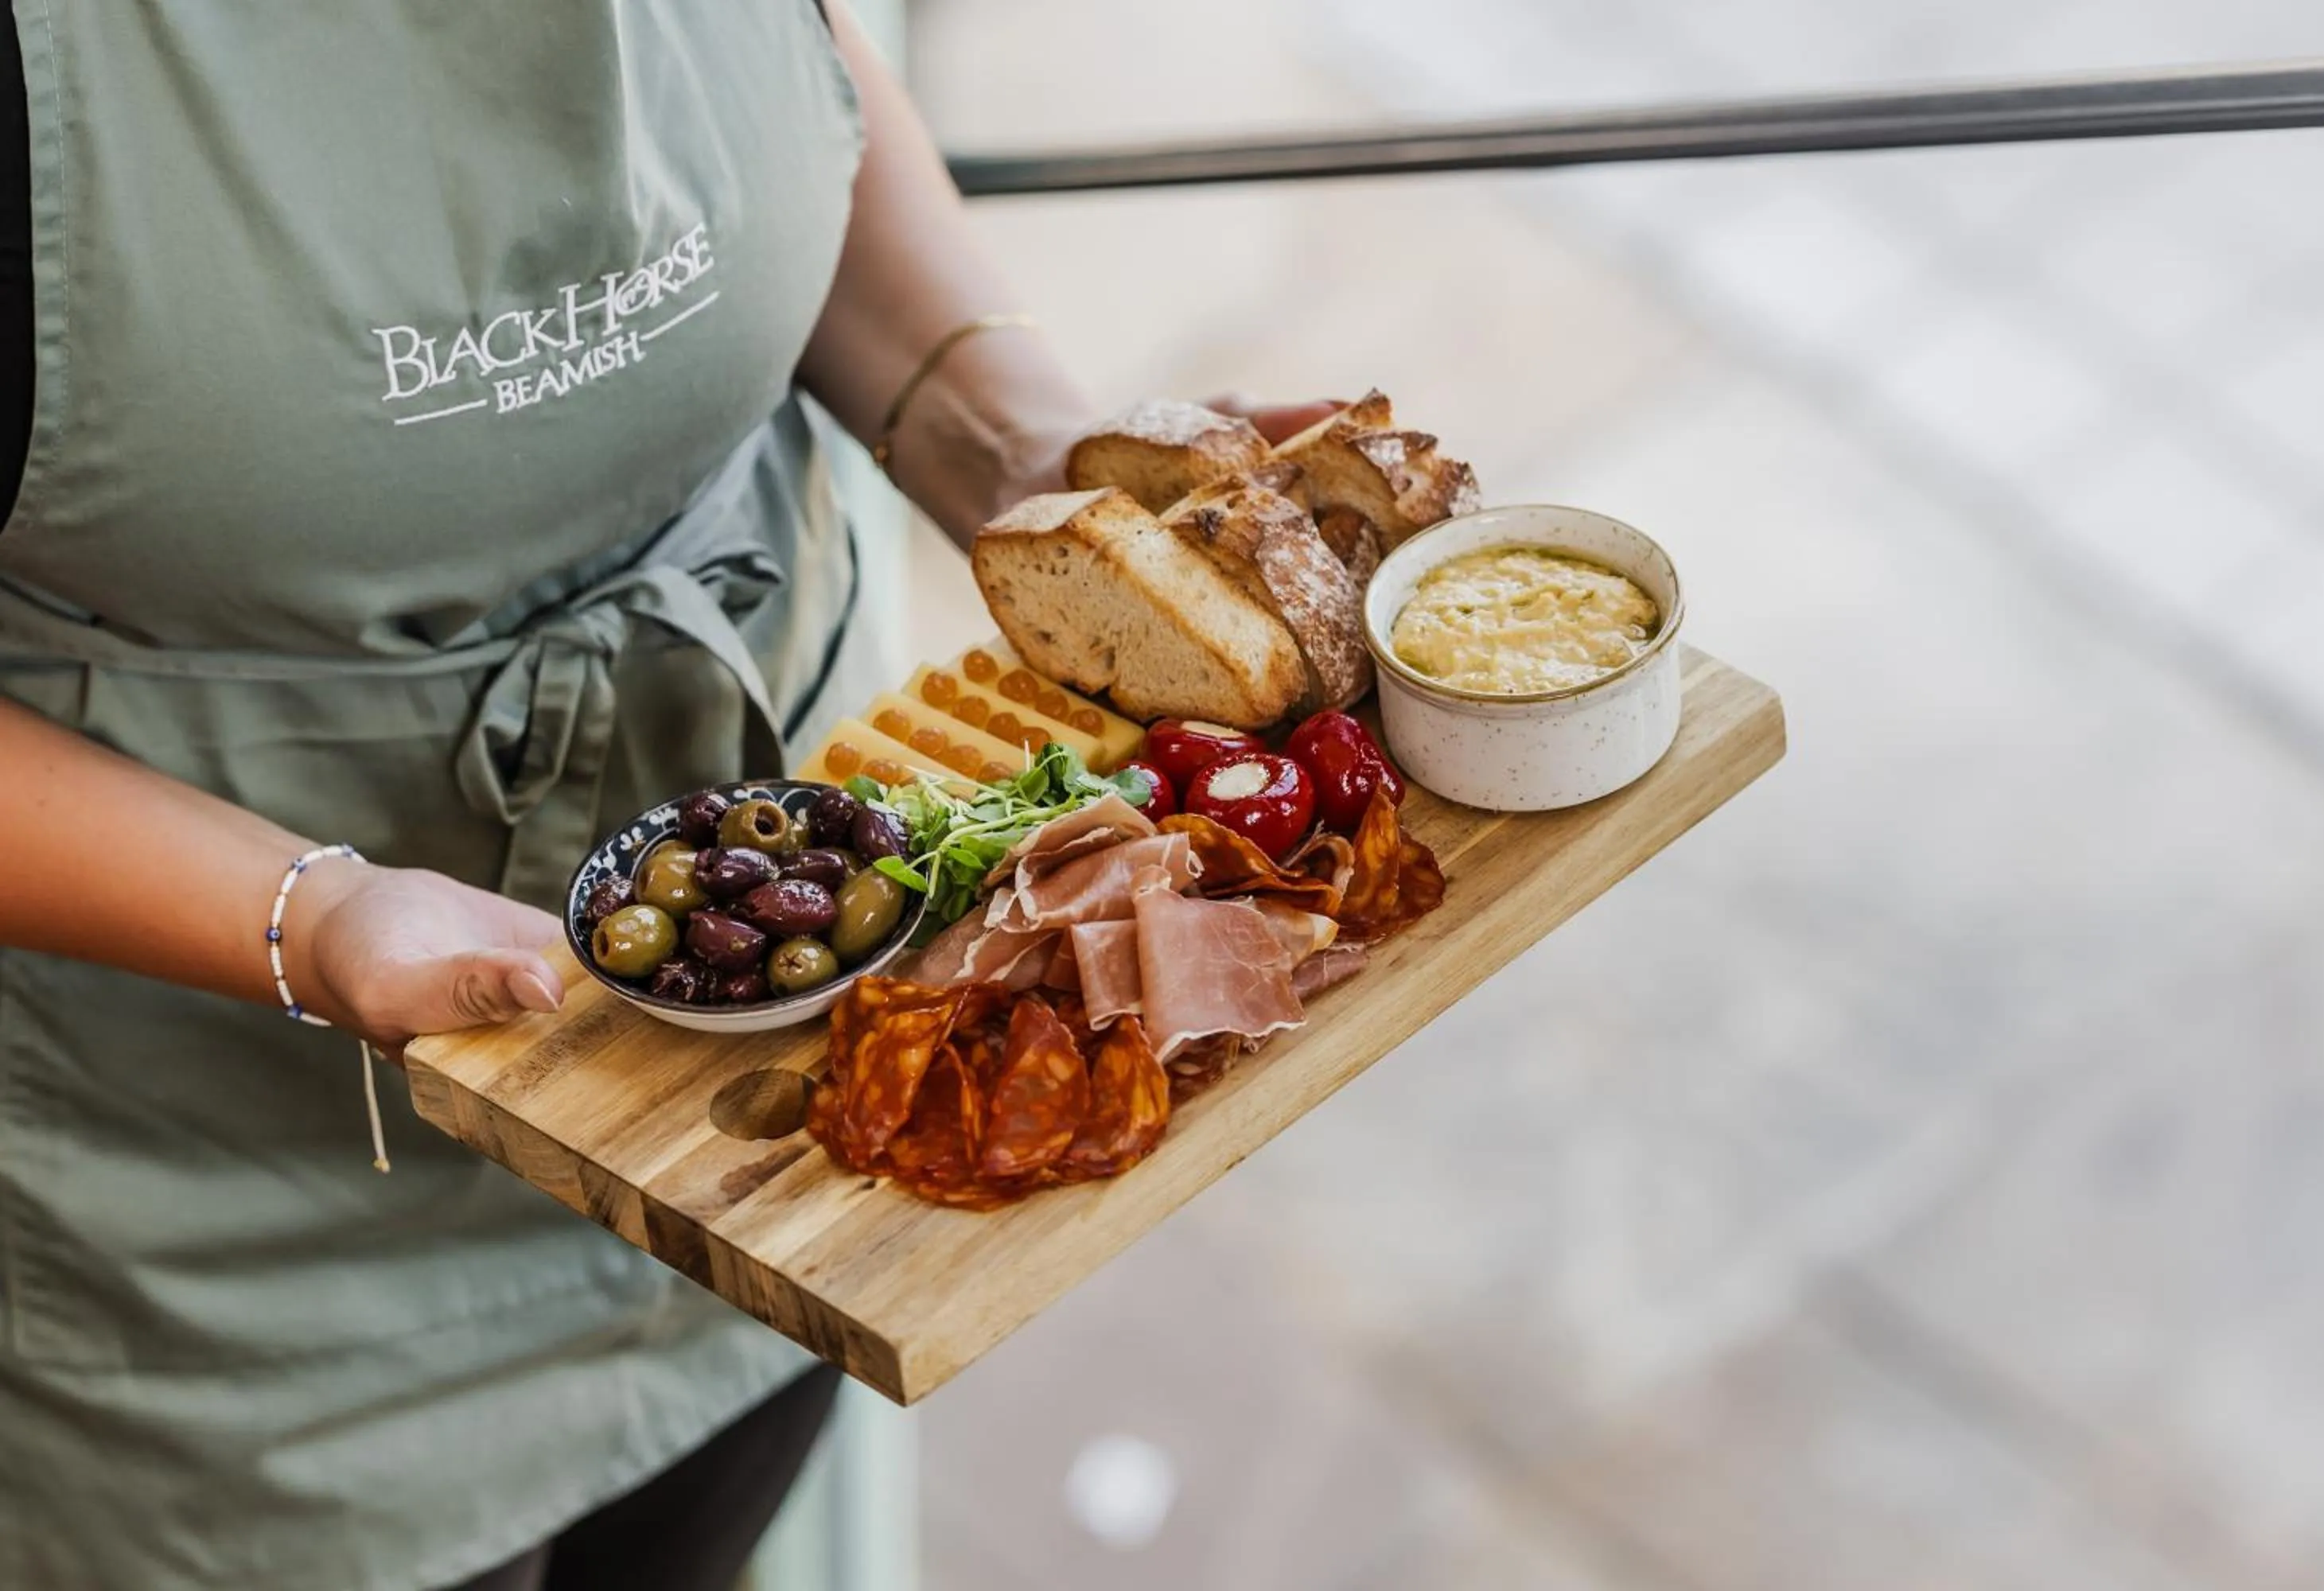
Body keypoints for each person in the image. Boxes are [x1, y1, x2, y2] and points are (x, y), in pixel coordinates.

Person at [0, 4, 1332, 1587]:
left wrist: (1023, 449)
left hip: (772, 1140)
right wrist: (311, 913)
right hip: (223, 1249)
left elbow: (791, 91)